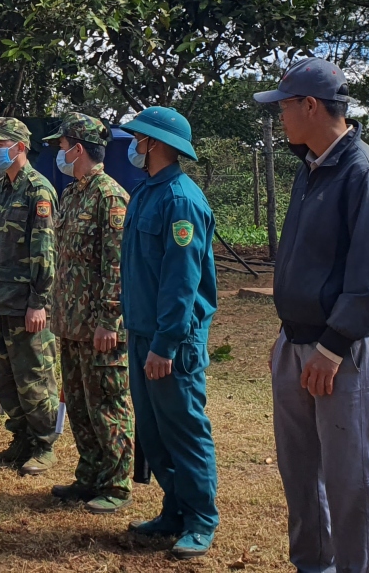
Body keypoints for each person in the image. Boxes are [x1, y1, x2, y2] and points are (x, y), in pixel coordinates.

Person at [254, 58, 369, 573]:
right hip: (297, 343)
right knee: (301, 473)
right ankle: (312, 565)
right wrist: (290, 337)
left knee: (352, 480)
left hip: (342, 353)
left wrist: (331, 345)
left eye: (283, 108)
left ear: (311, 106)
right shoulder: (311, 169)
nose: (280, 119)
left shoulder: (366, 174)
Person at [119, 106, 219, 560]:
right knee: (154, 431)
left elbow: (182, 283)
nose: (133, 145)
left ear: (155, 144)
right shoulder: (147, 193)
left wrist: (165, 345)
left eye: (138, 138)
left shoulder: (180, 200)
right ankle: (173, 510)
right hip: (143, 333)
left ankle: (200, 519)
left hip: (171, 342)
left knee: (183, 430)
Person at [44, 112, 133, 513]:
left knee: (107, 405)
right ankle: (89, 475)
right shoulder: (72, 194)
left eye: (62, 146)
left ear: (77, 148)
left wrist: (108, 320)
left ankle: (115, 484)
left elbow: (115, 267)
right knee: (78, 405)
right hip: (71, 322)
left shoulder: (110, 197)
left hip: (99, 326)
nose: (59, 153)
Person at [0, 117, 60, 476]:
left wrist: (38, 301)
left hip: (26, 303)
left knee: (34, 375)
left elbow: (46, 251)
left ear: (19, 147)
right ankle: (20, 439)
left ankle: (43, 444)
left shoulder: (38, 191)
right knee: (6, 378)